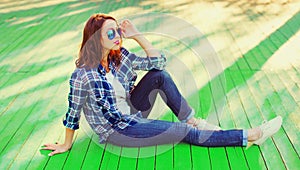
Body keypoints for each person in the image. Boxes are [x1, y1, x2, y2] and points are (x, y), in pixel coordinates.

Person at [42, 14, 282, 156]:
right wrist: (66, 143)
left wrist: (137, 35)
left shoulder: (121, 56)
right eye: (111, 33)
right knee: (181, 132)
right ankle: (250, 135)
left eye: (118, 31)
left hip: (133, 111)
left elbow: (158, 62)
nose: (118, 36)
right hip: (117, 130)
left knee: (160, 75)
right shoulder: (82, 76)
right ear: (96, 38)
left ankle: (193, 120)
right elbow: (72, 113)